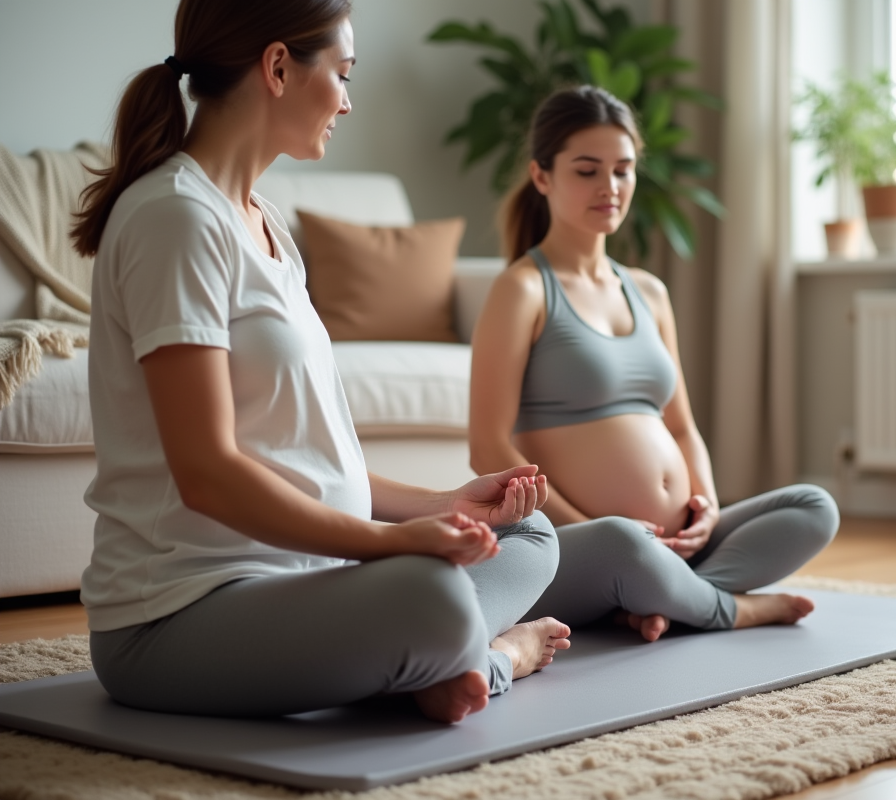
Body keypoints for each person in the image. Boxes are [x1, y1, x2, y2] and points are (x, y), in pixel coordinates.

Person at [70, 0, 569, 724]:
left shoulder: (265, 223)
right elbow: (207, 474)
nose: (348, 99)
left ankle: (431, 657)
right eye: (341, 73)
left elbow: (312, 461)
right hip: (179, 616)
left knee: (529, 534)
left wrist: (447, 505)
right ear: (277, 68)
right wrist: (388, 544)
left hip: (311, 583)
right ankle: (487, 658)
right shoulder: (175, 217)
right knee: (427, 595)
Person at [469, 86, 840, 643]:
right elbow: (487, 446)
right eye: (588, 171)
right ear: (542, 176)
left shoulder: (650, 292)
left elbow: (682, 426)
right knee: (623, 543)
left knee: (815, 506)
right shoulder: (523, 289)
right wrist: (585, 526)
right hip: (587, 542)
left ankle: (664, 596)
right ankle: (727, 607)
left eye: (623, 170)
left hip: (673, 541)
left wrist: (707, 507)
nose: (610, 188)